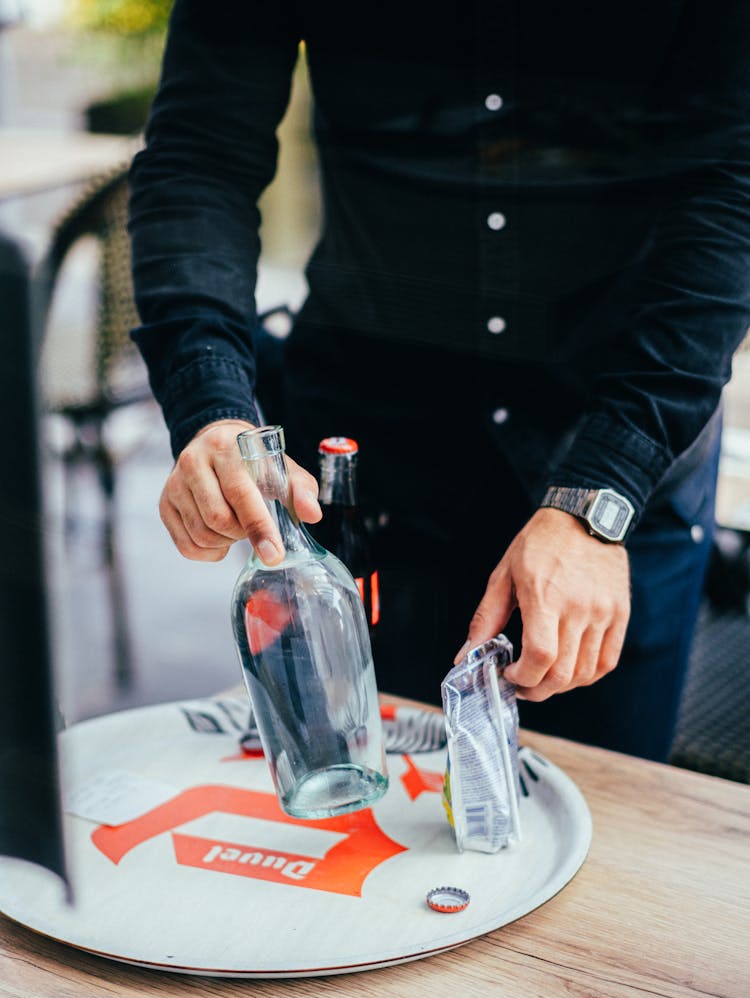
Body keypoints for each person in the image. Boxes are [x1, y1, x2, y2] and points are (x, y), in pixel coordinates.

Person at [128, 1, 750, 762]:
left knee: (601, 831)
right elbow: (200, 156)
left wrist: (604, 489)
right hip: (367, 478)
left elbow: (731, 186)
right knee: (350, 824)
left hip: (617, 451)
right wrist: (211, 404)